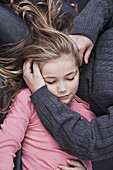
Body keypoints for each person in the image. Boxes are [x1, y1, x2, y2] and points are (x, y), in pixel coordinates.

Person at [0, 0, 92, 169]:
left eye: (71, 78)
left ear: (79, 70)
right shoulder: (28, 99)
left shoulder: (87, 111)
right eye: (51, 81)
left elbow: (88, 152)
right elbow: (6, 144)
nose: (63, 88)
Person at [23, 0, 113, 163]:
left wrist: (41, 94)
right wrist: (86, 29)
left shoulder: (39, 92)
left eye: (71, 77)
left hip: (42, 79)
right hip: (71, 33)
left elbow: (90, 142)